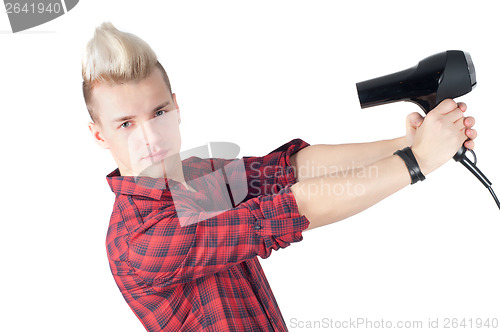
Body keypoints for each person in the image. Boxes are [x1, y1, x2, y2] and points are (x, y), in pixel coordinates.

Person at [84, 22, 477, 332]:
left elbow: (291, 171)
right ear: (100, 134)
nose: (151, 137)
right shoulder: (138, 242)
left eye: (158, 113)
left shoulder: (195, 178)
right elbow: (288, 210)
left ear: (176, 106)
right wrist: (416, 162)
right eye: (126, 124)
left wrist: (404, 144)